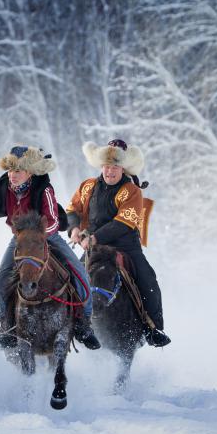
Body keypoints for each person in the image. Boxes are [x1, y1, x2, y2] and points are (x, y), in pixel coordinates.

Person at [0, 145, 100, 350]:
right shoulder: (4, 188)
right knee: (1, 277)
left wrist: (40, 235)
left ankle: (84, 324)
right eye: (10, 170)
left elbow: (52, 219)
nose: (12, 175)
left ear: (30, 173)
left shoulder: (43, 189)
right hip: (21, 241)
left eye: (17, 171)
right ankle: (7, 327)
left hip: (48, 237)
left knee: (80, 274)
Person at [67, 138, 169, 347]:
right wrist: (75, 228)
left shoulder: (132, 191)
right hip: (92, 248)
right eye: (106, 166)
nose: (110, 171)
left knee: (148, 280)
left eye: (115, 167)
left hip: (125, 247)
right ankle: (69, 323)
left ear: (123, 168)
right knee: (69, 277)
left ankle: (152, 327)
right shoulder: (87, 187)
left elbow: (123, 222)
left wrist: (94, 238)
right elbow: (72, 210)